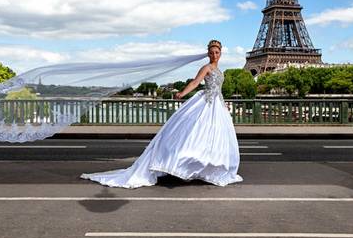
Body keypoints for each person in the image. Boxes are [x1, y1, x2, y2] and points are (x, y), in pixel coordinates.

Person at [79, 39, 243, 188]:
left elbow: (218, 90)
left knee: (211, 137)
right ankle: (183, 165)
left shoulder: (220, 71)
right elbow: (195, 82)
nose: (214, 55)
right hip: (206, 103)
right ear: (208, 53)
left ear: (221, 53)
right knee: (194, 135)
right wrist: (182, 93)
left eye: (217, 52)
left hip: (216, 105)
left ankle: (205, 168)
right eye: (212, 52)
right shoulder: (206, 68)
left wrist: (223, 104)